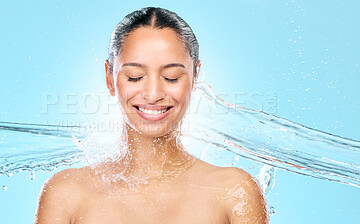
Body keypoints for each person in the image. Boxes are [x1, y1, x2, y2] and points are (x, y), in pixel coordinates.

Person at [34, 7, 269, 224]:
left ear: (195, 76)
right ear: (109, 78)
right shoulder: (66, 193)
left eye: (172, 77)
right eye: (135, 76)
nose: (153, 94)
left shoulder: (234, 192)